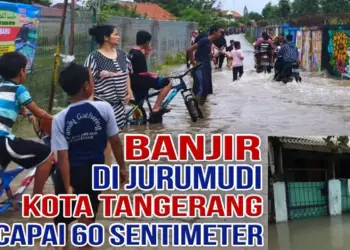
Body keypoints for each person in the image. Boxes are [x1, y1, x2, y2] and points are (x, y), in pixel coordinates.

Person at [51, 63, 128, 250]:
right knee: (88, 212)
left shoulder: (60, 117)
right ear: (87, 86)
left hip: (69, 172)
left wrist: (68, 185)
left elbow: (62, 156)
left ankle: (59, 245)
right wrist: (122, 168)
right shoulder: (104, 108)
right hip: (94, 172)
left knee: (62, 215)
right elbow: (115, 141)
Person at [0, 51, 53, 196]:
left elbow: (11, 108)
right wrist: (54, 119)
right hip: (2, 140)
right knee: (47, 154)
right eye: (26, 70)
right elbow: (39, 113)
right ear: (21, 72)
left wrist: (24, 112)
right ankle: (37, 195)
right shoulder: (19, 90)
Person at [85, 25, 132, 167]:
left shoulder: (122, 55)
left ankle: (107, 169)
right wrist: (90, 103)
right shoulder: (94, 57)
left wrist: (128, 90)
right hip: (102, 103)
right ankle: (105, 171)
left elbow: (127, 73)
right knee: (106, 139)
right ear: (106, 38)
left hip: (119, 106)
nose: (118, 37)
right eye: (115, 34)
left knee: (115, 138)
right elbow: (89, 83)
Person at [128, 31, 172, 116]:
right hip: (141, 81)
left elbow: (137, 66)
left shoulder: (132, 51)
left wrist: (147, 53)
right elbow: (142, 73)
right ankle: (156, 107)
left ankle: (137, 122)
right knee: (168, 82)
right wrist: (152, 75)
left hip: (133, 81)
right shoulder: (139, 54)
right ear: (147, 42)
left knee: (138, 105)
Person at [186, 25, 223, 105]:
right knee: (200, 89)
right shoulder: (205, 40)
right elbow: (190, 50)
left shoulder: (210, 42)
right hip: (200, 67)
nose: (221, 33)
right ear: (214, 32)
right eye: (220, 31)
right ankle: (194, 108)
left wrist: (212, 56)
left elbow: (204, 53)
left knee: (206, 90)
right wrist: (194, 64)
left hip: (207, 67)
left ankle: (200, 109)